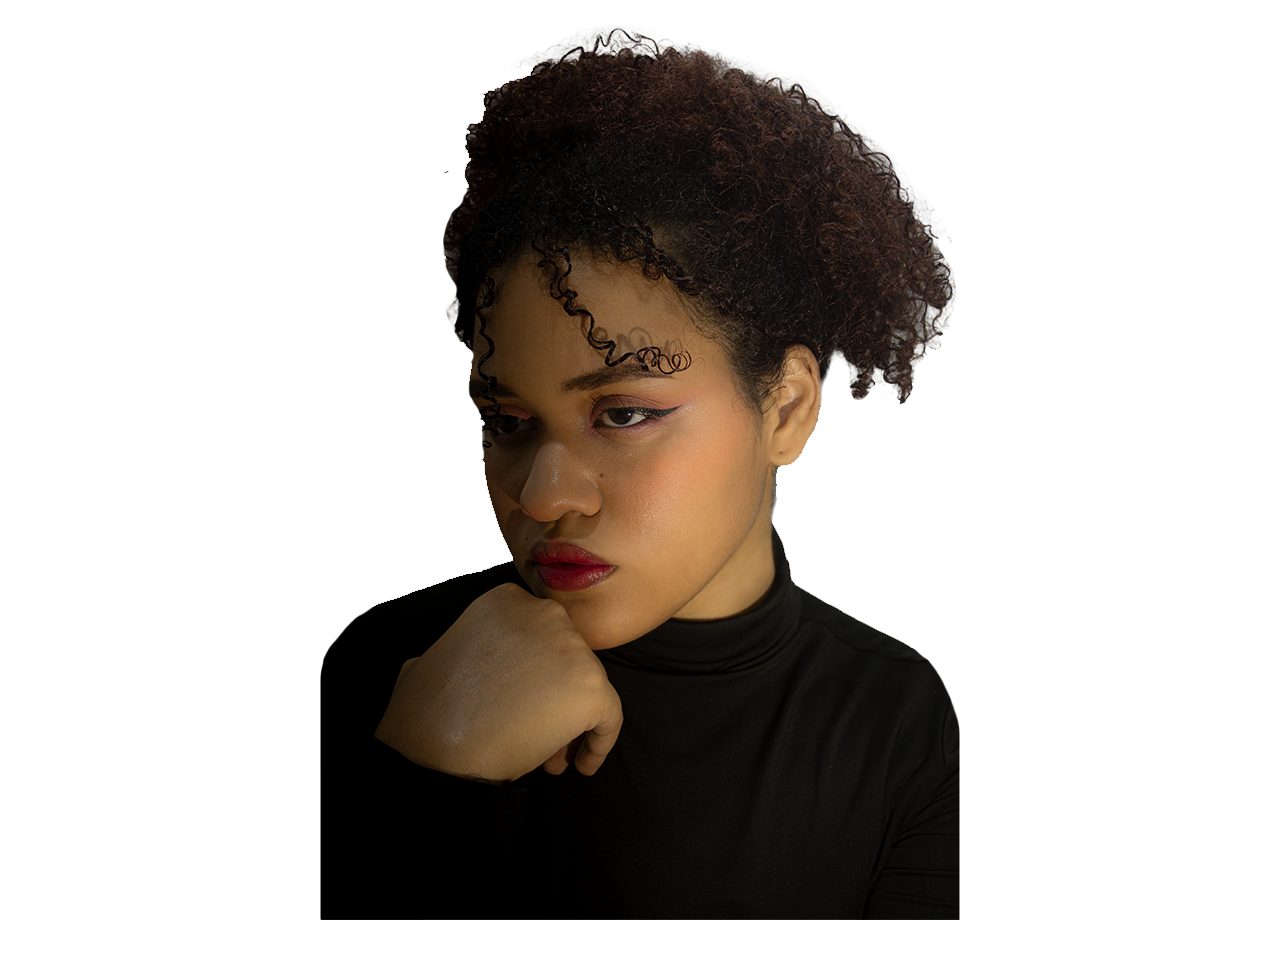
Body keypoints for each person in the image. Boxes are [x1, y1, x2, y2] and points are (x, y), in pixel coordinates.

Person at [321, 27, 959, 919]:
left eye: (622, 413)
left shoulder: (898, 726)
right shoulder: (384, 666)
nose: (543, 494)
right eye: (506, 421)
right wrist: (427, 779)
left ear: (785, 407)